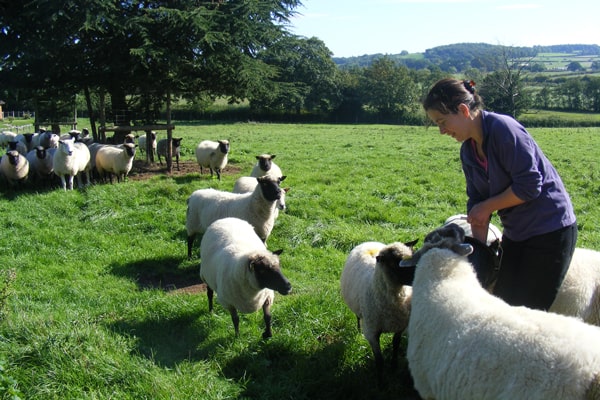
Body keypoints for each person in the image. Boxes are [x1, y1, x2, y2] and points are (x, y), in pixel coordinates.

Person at [422, 78, 577, 311]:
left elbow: (529, 186)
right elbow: (477, 204)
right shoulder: (468, 151)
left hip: (550, 231)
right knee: (503, 307)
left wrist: (487, 207)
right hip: (516, 234)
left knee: (528, 314)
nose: (441, 131)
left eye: (442, 122)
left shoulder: (504, 129)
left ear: (463, 110)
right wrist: (477, 253)